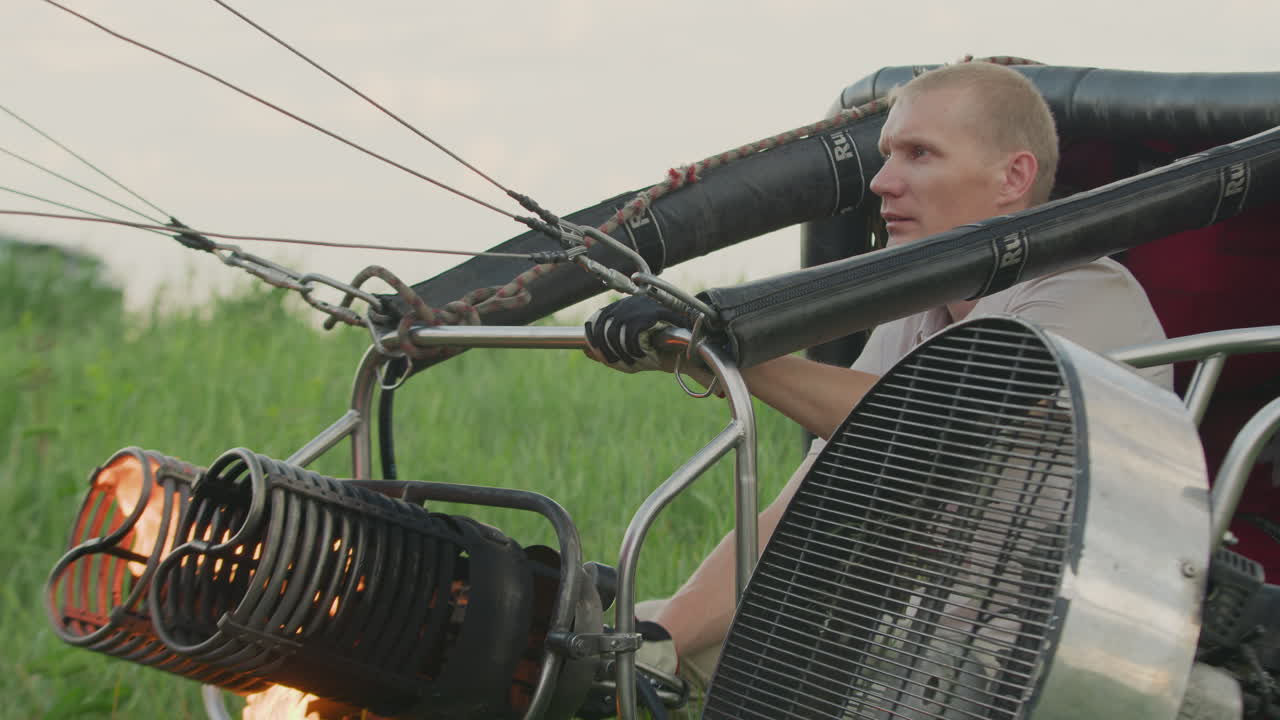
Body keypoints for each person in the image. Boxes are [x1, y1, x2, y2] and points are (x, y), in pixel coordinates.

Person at [583, 59, 1173, 712]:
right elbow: (811, 507)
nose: (882, 181)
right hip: (913, 637)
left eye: (919, 154)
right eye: (887, 154)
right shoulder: (920, 314)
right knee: (583, 653)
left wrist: (716, 347)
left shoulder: (1087, 294)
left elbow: (927, 424)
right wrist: (659, 637)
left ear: (1013, 177)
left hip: (1053, 664)